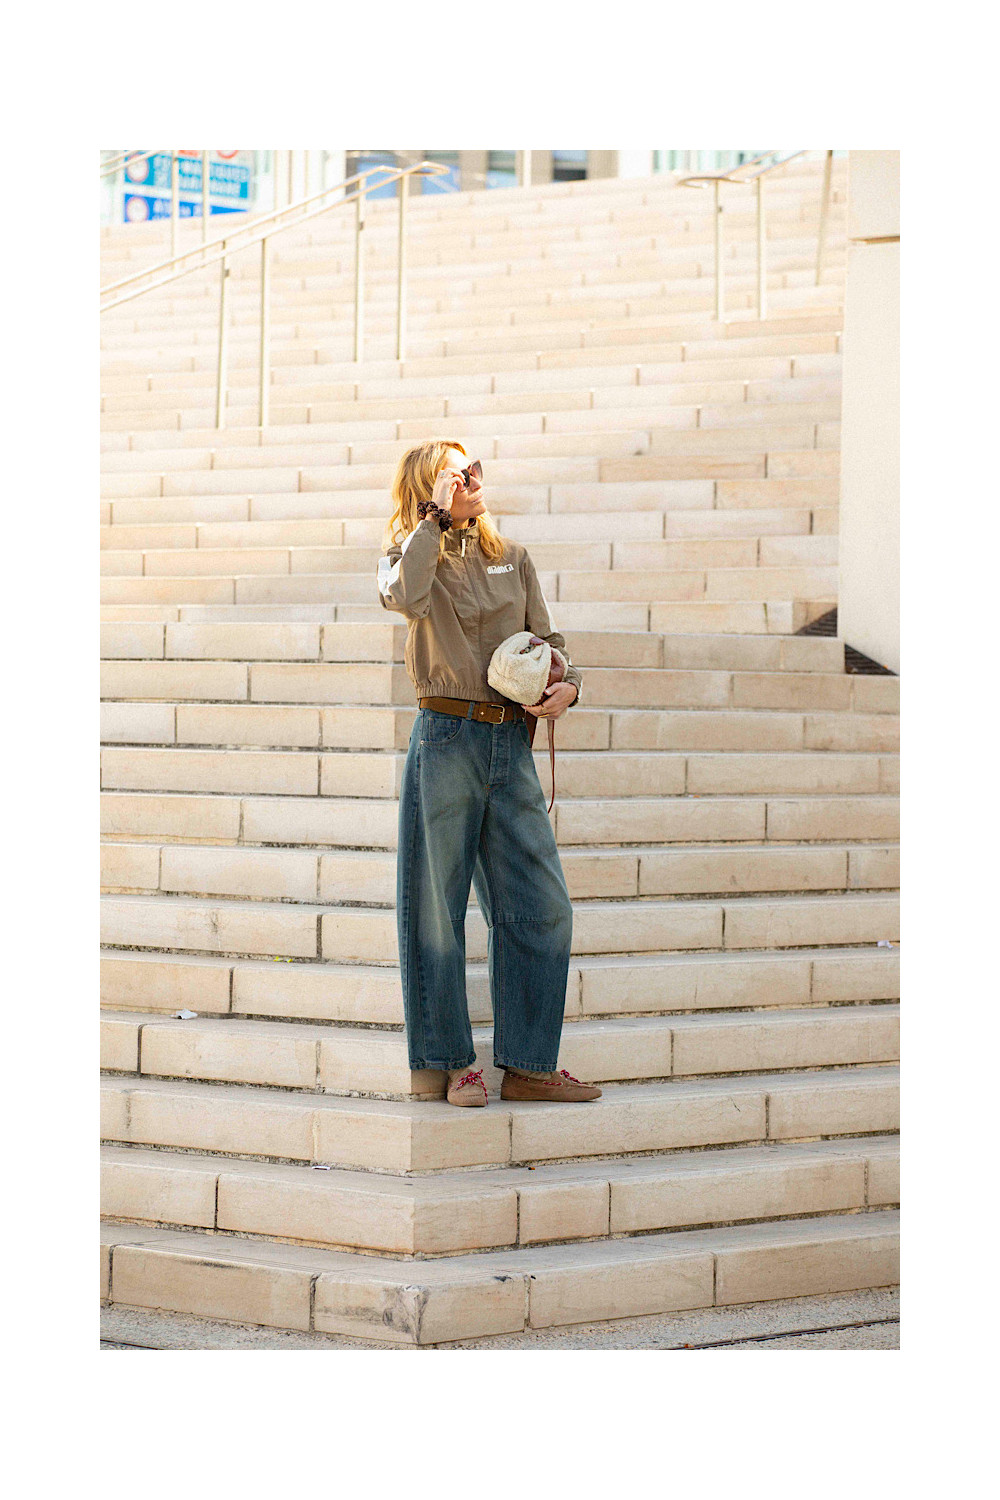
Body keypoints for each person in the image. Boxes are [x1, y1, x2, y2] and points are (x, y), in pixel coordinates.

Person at [376, 439, 602, 1107]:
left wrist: (569, 686)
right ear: (429, 488)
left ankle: (529, 1066)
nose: (472, 479)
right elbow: (403, 596)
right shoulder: (409, 555)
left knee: (544, 905)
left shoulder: (512, 558)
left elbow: (550, 643)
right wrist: (433, 521)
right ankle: (448, 1063)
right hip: (446, 735)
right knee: (435, 908)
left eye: (473, 469)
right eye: (456, 473)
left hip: (511, 740)